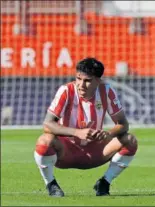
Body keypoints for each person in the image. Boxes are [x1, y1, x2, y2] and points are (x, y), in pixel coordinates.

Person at [34, 57, 138, 197]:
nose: (81, 85)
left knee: (130, 140)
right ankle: (51, 184)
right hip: (66, 153)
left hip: (95, 152)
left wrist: (108, 134)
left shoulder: (106, 91)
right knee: (44, 141)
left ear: (98, 80)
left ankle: (104, 183)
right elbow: (47, 124)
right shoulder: (66, 90)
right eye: (78, 79)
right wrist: (77, 132)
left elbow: (123, 124)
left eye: (87, 81)